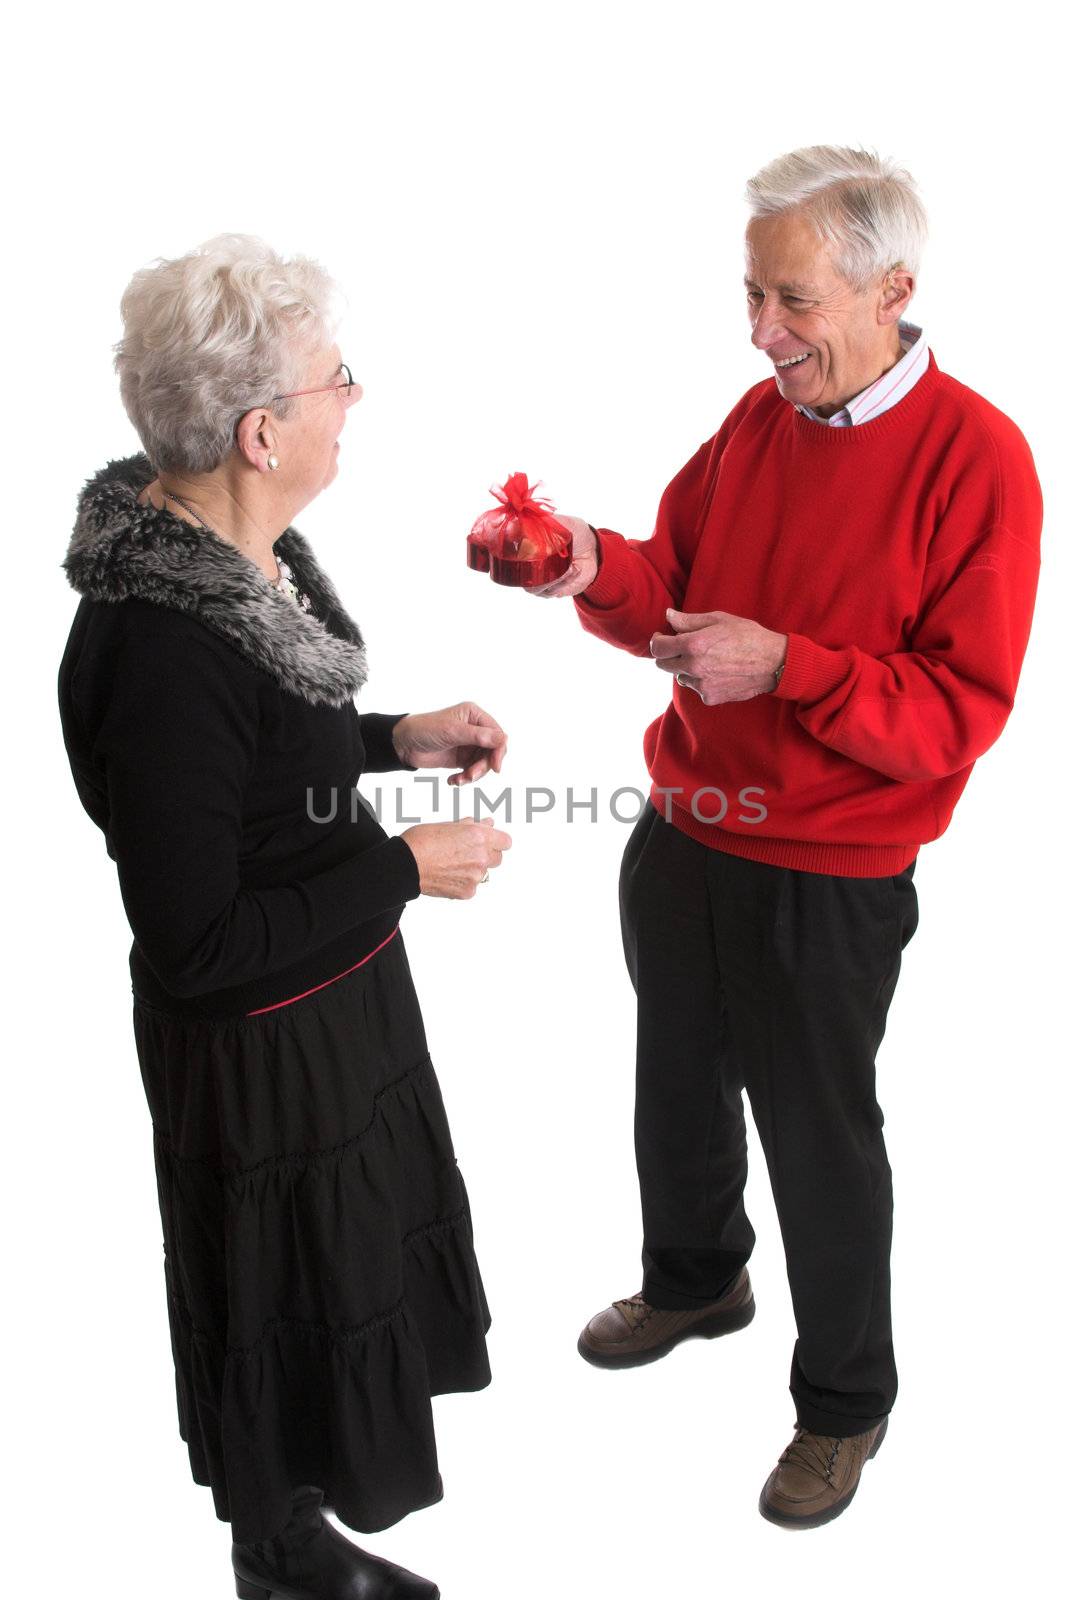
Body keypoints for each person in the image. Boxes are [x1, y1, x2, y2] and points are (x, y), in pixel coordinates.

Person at [523, 145, 1043, 1528]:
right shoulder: (760, 422)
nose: (762, 333)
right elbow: (673, 596)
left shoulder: (976, 457)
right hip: (688, 828)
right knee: (674, 1088)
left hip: (829, 875)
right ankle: (697, 1280)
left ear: (893, 290)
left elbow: (958, 714)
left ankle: (843, 1406)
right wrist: (579, 560)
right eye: (751, 295)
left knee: (817, 1136)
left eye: (793, 301)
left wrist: (794, 669)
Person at [57, 234, 512, 1599]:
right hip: (257, 1054)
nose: (351, 401)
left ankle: (296, 1525)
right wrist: (402, 870)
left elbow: (261, 767)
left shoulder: (244, 558)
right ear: (263, 431)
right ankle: (277, 1552)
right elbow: (192, 945)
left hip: (331, 1001)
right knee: (283, 1289)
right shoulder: (163, 647)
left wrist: (391, 739)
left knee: (341, 1270)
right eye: (337, 382)